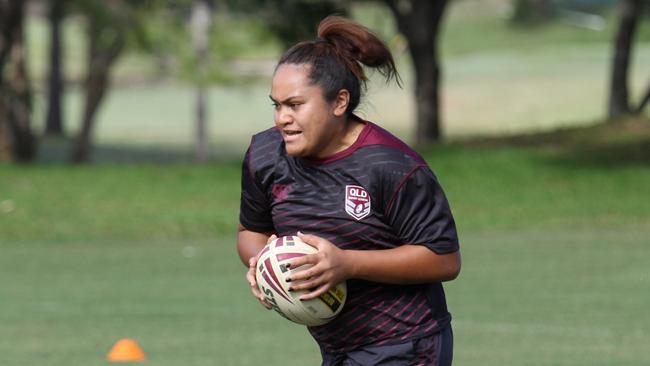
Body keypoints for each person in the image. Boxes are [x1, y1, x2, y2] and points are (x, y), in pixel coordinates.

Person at [237, 15, 461, 366]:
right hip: (338, 346)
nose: (282, 118)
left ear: (339, 103)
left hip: (405, 343)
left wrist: (347, 263)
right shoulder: (265, 156)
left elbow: (443, 259)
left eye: (295, 105)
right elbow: (252, 230)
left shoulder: (391, 166)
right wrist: (262, 261)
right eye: (277, 105)